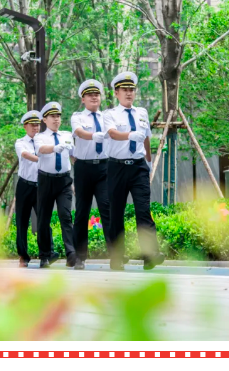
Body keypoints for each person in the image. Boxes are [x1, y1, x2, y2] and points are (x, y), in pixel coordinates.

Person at [103, 72, 165, 271]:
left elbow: (145, 137)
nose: (129, 93)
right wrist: (130, 135)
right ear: (116, 93)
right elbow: (113, 134)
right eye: (125, 90)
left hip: (138, 167)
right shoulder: (110, 114)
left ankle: (150, 255)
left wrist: (148, 160)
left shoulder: (142, 113)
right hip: (117, 167)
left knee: (143, 210)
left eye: (132, 89)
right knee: (116, 213)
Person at [70, 79, 112, 270]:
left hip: (104, 168)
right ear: (83, 99)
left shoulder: (107, 117)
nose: (94, 97)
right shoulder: (78, 117)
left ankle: (116, 255)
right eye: (90, 95)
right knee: (82, 212)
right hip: (84, 169)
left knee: (107, 209)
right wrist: (93, 135)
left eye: (97, 94)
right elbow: (79, 132)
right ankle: (80, 257)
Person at [34, 101, 77, 268]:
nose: (56, 119)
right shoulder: (40, 137)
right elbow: (41, 150)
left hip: (64, 181)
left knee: (65, 216)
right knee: (43, 219)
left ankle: (71, 254)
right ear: (45, 120)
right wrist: (54, 147)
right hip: (46, 180)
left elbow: (74, 156)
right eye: (52, 116)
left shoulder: (67, 135)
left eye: (58, 116)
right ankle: (45, 256)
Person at [14, 110, 41, 268]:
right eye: (32, 125)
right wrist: (41, 159)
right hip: (24, 185)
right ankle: (23, 256)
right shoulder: (20, 142)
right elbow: (25, 154)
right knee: (22, 221)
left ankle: (47, 253)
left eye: (37, 125)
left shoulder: (43, 141)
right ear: (25, 126)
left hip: (40, 186)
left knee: (43, 219)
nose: (36, 127)